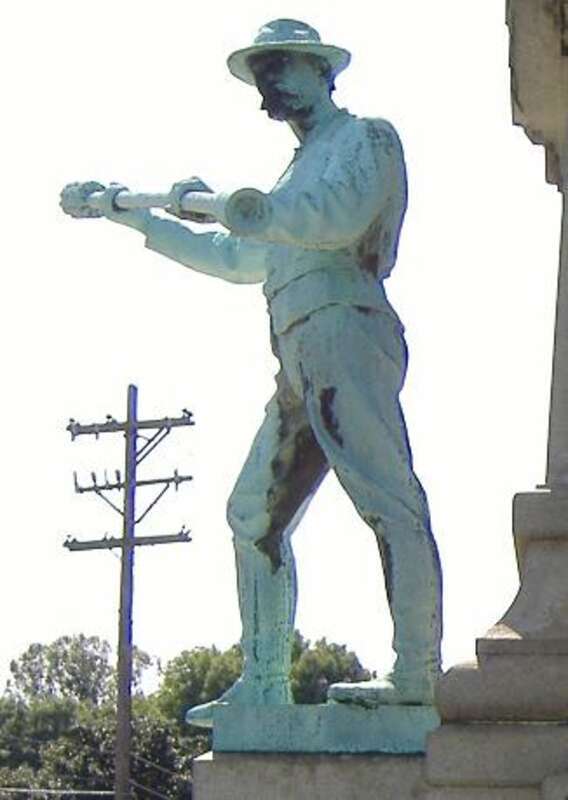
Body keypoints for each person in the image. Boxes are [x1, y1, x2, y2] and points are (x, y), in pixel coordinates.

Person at [97, 18, 442, 726]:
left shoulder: (365, 139)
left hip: (346, 327)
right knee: (251, 513)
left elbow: (334, 219)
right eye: (262, 75)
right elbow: (240, 256)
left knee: (389, 501)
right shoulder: (295, 169)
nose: (270, 85)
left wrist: (254, 209)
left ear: (321, 70)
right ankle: (263, 680)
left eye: (281, 67)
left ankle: (419, 675)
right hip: (295, 349)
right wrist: (144, 222)